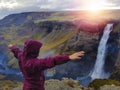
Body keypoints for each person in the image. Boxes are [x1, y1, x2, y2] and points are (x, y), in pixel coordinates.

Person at [8, 39, 85, 90]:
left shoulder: (22, 56)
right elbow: (52, 60)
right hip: (36, 87)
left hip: (27, 86)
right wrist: (68, 57)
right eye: (37, 50)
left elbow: (17, 51)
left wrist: (12, 47)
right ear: (34, 51)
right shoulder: (35, 64)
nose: (38, 51)